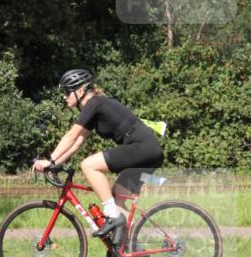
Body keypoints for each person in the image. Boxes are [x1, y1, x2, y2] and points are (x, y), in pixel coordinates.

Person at [32, 69, 164, 246]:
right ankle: (130, 251)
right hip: (147, 150)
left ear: (79, 91)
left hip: (142, 147)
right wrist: (56, 163)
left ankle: (110, 216)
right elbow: (77, 142)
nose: (64, 97)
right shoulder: (95, 107)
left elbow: (71, 136)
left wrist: (50, 161)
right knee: (119, 197)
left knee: (88, 165)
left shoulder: (95, 102)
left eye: (66, 92)